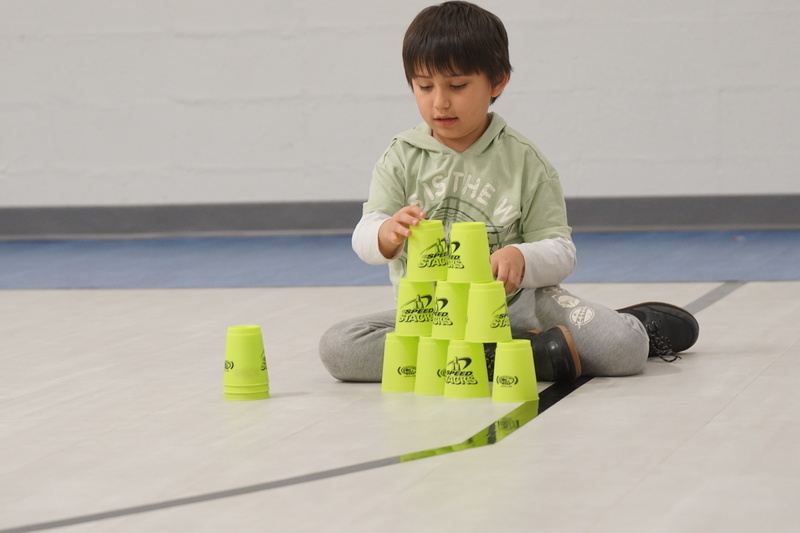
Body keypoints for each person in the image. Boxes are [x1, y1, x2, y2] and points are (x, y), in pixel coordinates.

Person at [319, 1, 698, 383]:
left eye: (457, 86)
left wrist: (521, 255)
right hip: (433, 319)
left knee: (623, 349)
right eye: (424, 86)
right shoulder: (401, 157)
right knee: (340, 347)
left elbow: (561, 250)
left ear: (497, 81)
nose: (439, 102)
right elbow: (366, 230)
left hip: (524, 309)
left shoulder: (525, 161)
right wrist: (384, 234)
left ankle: (632, 325)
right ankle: (523, 355)